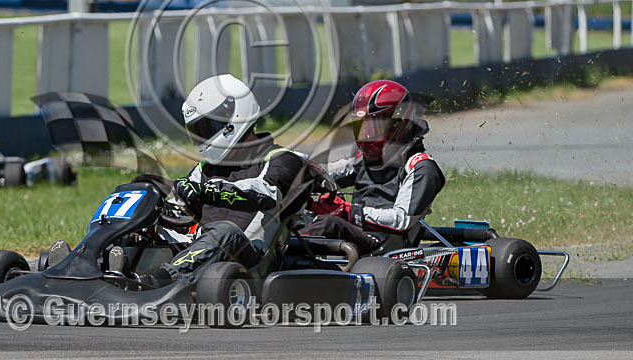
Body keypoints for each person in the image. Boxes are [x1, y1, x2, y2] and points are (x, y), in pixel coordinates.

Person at [140, 74, 307, 286]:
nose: (203, 137)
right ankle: (97, 269)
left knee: (225, 231)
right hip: (201, 249)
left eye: (208, 128)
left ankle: (159, 283)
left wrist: (212, 191)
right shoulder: (205, 169)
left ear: (234, 118)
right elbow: (179, 216)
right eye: (198, 132)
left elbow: (265, 193)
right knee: (141, 225)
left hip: (250, 257)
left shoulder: (282, 159)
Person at [303, 79, 445, 253]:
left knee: (328, 223)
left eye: (373, 126)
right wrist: (298, 170)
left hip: (387, 248)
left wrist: (347, 211)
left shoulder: (421, 167)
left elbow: (402, 220)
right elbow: (324, 173)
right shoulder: (363, 161)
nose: (366, 135)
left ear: (398, 123)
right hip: (355, 238)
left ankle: (273, 259)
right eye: (361, 127)